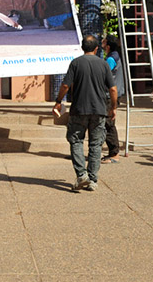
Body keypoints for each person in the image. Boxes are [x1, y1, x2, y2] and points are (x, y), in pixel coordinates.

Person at [54, 35, 117, 191]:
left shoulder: (76, 63)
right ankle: (93, 179)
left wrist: (58, 100)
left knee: (76, 140)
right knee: (96, 144)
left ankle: (82, 175)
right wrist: (113, 108)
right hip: (99, 110)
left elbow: (65, 85)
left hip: (79, 110)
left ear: (82, 47)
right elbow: (113, 89)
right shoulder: (103, 64)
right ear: (97, 49)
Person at [101, 34, 123, 163]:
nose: (102, 43)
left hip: (110, 95)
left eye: (104, 41)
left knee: (109, 123)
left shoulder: (111, 59)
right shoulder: (112, 56)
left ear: (108, 45)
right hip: (110, 94)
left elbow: (104, 75)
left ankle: (114, 153)